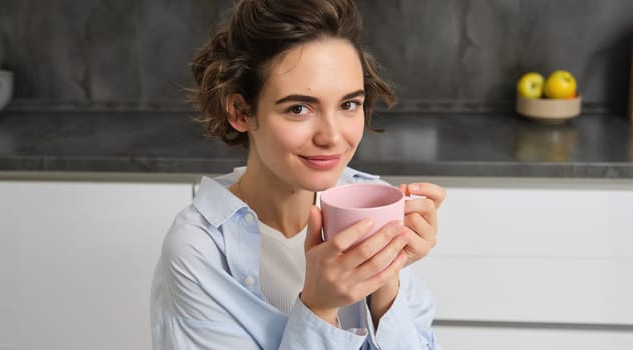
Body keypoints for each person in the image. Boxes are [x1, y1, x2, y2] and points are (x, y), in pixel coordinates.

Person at [150, 0, 446, 348]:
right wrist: (320, 307)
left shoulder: (371, 205)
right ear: (240, 111)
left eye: (349, 104)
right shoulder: (198, 250)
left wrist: (385, 280)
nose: (333, 137)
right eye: (299, 108)